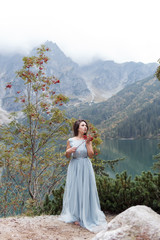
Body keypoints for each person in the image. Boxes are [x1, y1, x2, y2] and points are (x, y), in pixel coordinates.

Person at [59, 119, 107, 232]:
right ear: (77, 128)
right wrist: (69, 151)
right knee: (76, 190)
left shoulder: (87, 140)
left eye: (86, 125)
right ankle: (76, 216)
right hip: (74, 166)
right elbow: (66, 155)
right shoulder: (70, 140)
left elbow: (90, 155)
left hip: (85, 166)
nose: (85, 127)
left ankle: (87, 214)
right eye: (82, 125)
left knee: (86, 189)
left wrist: (87, 143)